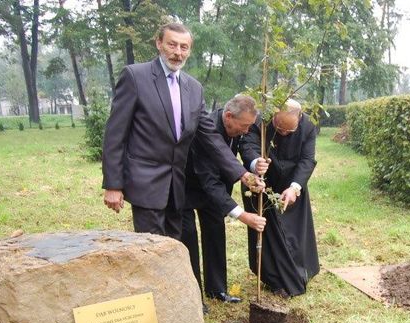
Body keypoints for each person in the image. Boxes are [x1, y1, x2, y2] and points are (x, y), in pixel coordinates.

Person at [102, 23, 263, 240]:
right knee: (151, 250)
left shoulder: (194, 88)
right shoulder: (135, 77)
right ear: (159, 43)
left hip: (177, 188)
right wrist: (113, 184)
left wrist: (242, 173)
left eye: (184, 47)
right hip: (146, 185)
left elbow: (211, 138)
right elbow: (115, 134)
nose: (178, 53)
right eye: (172, 45)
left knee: (173, 249)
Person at [182, 95, 269, 305]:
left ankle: (217, 290)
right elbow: (208, 180)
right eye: (244, 126)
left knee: (215, 234)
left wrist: (252, 168)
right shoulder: (205, 130)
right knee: (188, 241)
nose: (247, 131)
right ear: (228, 116)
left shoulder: (237, 125)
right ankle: (194, 298)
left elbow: (243, 148)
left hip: (216, 191)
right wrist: (241, 215)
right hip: (186, 187)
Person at [239, 99, 320, 297]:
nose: (282, 134)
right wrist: (255, 162)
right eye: (279, 128)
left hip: (292, 184)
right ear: (273, 116)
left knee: (295, 233)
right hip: (261, 183)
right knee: (267, 234)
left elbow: (307, 159)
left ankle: (301, 271)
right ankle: (272, 277)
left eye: (288, 132)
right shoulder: (259, 120)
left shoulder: (308, 127)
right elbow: (247, 145)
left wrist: (294, 188)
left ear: (299, 119)